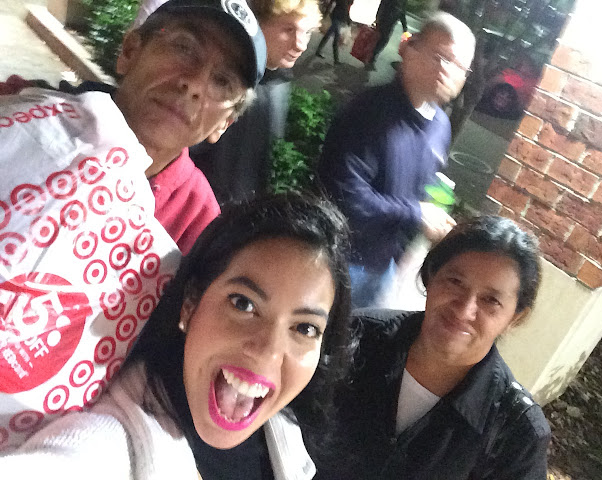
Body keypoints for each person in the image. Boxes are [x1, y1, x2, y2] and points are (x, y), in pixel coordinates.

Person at [0, 194, 354, 479]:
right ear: (190, 304)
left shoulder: (285, 434)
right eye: (243, 304)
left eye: (304, 328)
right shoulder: (108, 446)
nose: (268, 351)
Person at [2, 0, 267, 253]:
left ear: (224, 124)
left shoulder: (196, 222)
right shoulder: (20, 112)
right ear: (130, 51)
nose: (194, 85)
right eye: (185, 48)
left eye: (222, 82)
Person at [311, 215, 551, 479]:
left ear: (515, 317)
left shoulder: (515, 432)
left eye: (491, 300)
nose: (464, 310)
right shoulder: (356, 337)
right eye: (455, 282)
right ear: (431, 276)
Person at [317, 11, 475, 308]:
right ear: (409, 50)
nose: (448, 71)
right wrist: (416, 213)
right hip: (340, 262)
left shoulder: (440, 125)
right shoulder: (368, 112)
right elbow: (343, 197)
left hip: (387, 268)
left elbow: (419, 191)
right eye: (441, 57)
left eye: (460, 67)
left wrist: (429, 220)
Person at [189, 0, 322, 204]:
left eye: (308, 33)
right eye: (288, 30)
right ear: (257, 24)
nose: (301, 45)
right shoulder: (226, 78)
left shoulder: (278, 83)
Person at [367, 0, 408, 70]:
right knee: (379, 41)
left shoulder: (403, 1)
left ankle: (371, 59)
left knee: (382, 42)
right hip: (384, 21)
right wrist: (378, 19)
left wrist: (404, 27)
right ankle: (370, 59)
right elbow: (382, 6)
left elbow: (402, 13)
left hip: (389, 24)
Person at [315, 0, 354, 65]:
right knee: (335, 37)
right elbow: (343, 7)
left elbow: (346, 8)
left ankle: (319, 51)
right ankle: (336, 60)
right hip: (337, 17)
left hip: (337, 17)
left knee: (330, 35)